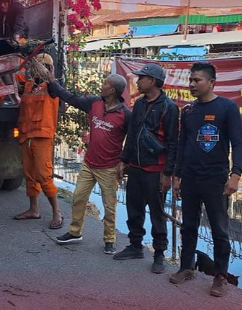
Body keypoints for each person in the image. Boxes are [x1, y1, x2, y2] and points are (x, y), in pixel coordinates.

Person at [170, 62, 242, 297]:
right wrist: (178, 176)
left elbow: (237, 143)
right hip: (190, 178)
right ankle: (185, 267)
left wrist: (235, 175)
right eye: (190, 80)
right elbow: (183, 145)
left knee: (219, 231)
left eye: (197, 80)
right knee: (188, 227)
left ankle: (220, 276)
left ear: (212, 82)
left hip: (215, 179)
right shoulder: (188, 111)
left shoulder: (227, 108)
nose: (191, 84)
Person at [50, 74, 131, 255]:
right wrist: (52, 82)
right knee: (78, 197)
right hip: (89, 164)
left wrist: (123, 162)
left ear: (112, 90)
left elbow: (132, 140)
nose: (101, 86)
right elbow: (70, 97)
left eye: (105, 83)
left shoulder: (125, 114)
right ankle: (75, 232)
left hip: (109, 168)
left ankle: (109, 239)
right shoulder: (94, 103)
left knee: (110, 206)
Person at [113, 63, 179, 275]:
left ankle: (159, 253)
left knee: (157, 213)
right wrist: (124, 160)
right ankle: (135, 246)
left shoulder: (169, 107)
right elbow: (132, 134)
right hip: (135, 167)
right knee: (134, 208)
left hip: (156, 170)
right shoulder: (140, 104)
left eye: (142, 78)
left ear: (152, 81)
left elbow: (172, 143)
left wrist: (167, 174)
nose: (137, 81)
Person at [13, 53, 63, 229]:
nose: (36, 70)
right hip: (27, 135)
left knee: (44, 175)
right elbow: (11, 80)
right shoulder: (27, 85)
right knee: (29, 174)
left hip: (42, 136)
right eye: (35, 67)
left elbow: (51, 81)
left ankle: (57, 213)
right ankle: (34, 210)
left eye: (41, 66)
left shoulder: (52, 86)